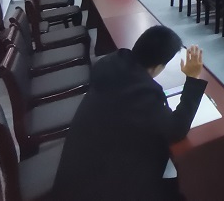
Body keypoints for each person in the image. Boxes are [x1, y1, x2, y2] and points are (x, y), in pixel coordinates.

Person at [53, 27, 206, 201]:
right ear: (158, 67)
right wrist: (192, 79)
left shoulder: (111, 65)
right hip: (99, 188)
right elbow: (176, 129)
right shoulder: (141, 96)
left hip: (75, 171)